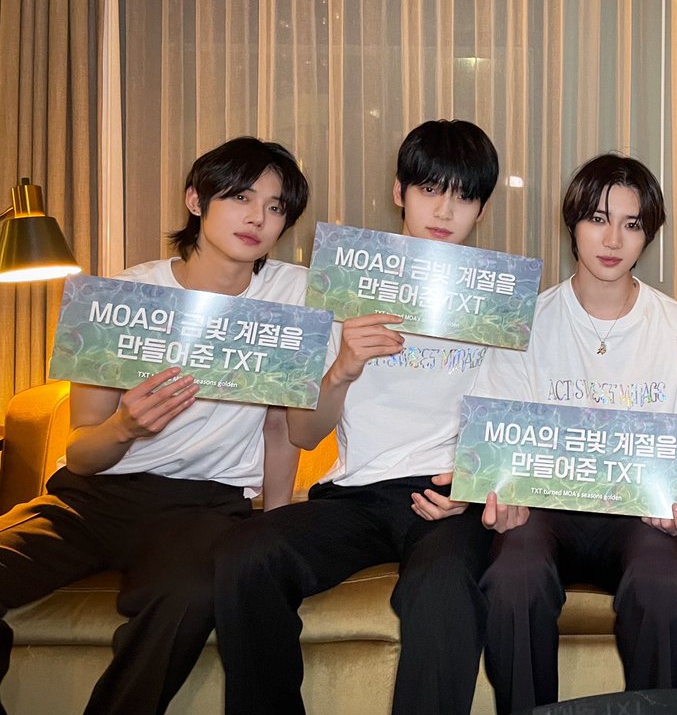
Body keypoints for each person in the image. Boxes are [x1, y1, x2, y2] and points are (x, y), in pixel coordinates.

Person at [0, 137, 310, 715]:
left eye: (275, 207)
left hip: (202, 507)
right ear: (196, 200)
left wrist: (272, 526)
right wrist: (125, 427)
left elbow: (280, 430)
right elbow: (81, 452)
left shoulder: (293, 297)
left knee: (189, 595)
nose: (257, 218)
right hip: (92, 497)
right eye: (240, 197)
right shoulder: (122, 296)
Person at [212, 120, 500, 715]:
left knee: (443, 587)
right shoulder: (348, 285)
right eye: (429, 190)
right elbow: (304, 433)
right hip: (358, 493)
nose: (445, 211)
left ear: (482, 208)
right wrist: (342, 367)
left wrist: (475, 486)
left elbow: (513, 419)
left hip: (448, 495)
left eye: (464, 196)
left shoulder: (496, 300)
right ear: (399, 192)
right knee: (247, 554)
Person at [472, 153, 677, 714]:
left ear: (648, 235)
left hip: (638, 517)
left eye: (632, 224)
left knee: (664, 584)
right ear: (572, 223)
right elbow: (497, 444)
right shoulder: (527, 321)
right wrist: (498, 497)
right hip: (543, 511)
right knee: (514, 577)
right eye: (598, 219)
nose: (612, 239)